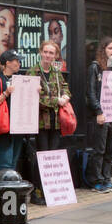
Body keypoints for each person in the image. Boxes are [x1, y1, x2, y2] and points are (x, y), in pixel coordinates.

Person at [28, 39, 70, 204]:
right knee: (42, 156)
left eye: (51, 53)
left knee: (53, 157)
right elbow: (34, 98)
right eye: (45, 52)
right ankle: (37, 191)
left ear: (56, 55)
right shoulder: (33, 72)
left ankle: (50, 191)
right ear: (40, 52)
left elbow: (65, 88)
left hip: (56, 122)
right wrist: (56, 101)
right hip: (40, 122)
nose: (48, 55)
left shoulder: (56, 72)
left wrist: (65, 97)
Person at [85, 37, 112, 193]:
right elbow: (91, 92)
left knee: (110, 150)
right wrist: (98, 111)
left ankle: (107, 179)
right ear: (103, 50)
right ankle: (96, 181)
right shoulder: (95, 67)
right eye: (110, 48)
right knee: (99, 150)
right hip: (101, 115)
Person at [0, 50, 24, 172]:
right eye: (17, 61)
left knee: (12, 164)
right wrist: (6, 93)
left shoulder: (20, 79)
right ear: (8, 63)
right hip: (3, 129)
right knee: (4, 165)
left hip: (18, 127)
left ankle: (7, 185)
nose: (19, 64)